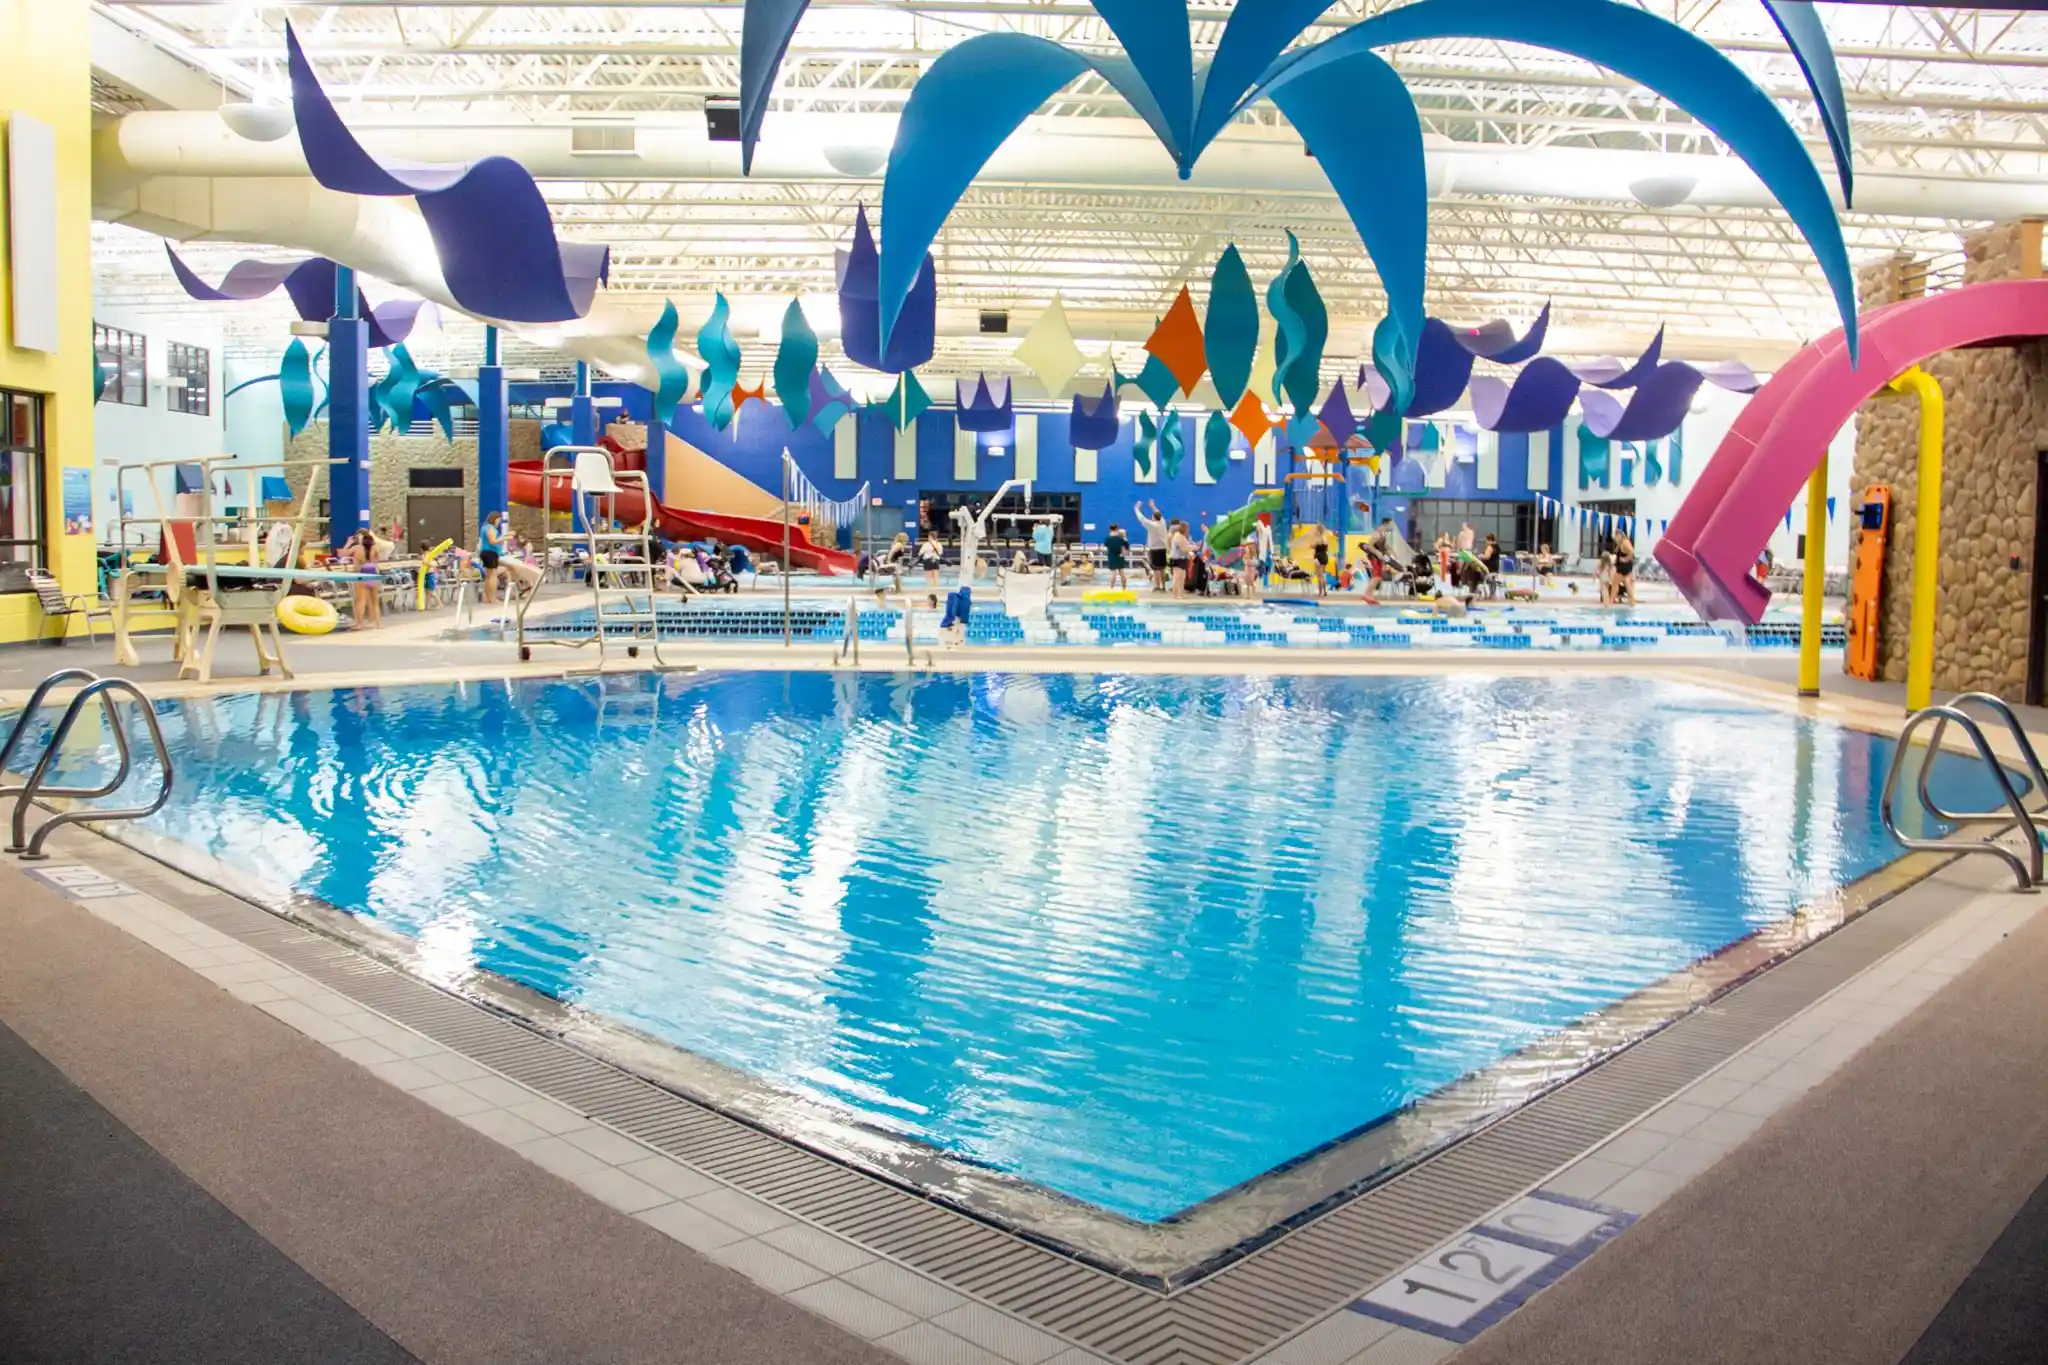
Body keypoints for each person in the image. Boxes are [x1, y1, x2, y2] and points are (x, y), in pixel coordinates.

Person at [341, 528, 382, 629]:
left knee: (360, 601)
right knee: (375, 602)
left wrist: (348, 543)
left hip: (361, 576)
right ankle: (377, 624)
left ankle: (359, 624)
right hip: (373, 576)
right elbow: (377, 562)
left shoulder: (357, 548)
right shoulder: (375, 549)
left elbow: (342, 554)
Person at [1135, 501, 1169, 592]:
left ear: (1153, 518)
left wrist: (1137, 509)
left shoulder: (1152, 525)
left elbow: (1142, 519)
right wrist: (1153, 506)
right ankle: (1164, 586)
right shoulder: (1163, 523)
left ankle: (1157, 586)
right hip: (1163, 549)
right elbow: (1159, 514)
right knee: (1162, 568)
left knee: (1156, 569)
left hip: (1155, 549)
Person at [478, 510, 509, 603]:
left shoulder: (484, 527)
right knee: (493, 576)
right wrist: (503, 538)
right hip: (490, 553)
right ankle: (492, 598)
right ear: (494, 519)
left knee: (489, 576)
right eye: (498, 520)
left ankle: (487, 598)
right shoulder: (490, 528)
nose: (498, 522)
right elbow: (492, 541)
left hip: (486, 552)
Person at [1167, 519, 1193, 599]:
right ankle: (1175, 594)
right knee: (1177, 577)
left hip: (1182, 558)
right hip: (1177, 559)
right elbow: (1184, 548)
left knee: (1182, 577)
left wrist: (1193, 547)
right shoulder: (1178, 536)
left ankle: (1180, 593)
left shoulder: (1182, 536)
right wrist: (1195, 548)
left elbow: (1186, 546)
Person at [1612, 532, 1638, 606]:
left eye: (1616, 536)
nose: (1615, 538)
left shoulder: (1624, 543)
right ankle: (1632, 603)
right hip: (1625, 566)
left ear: (1620, 536)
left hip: (1624, 566)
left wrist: (1625, 559)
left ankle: (1611, 601)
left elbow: (1632, 553)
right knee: (1627, 584)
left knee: (1615, 583)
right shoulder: (1622, 542)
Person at [1104, 522, 1130, 590]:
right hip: (1120, 556)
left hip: (1112, 556)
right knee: (1122, 572)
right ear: (1117, 528)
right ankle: (1124, 588)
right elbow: (1127, 546)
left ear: (1110, 529)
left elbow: (1106, 545)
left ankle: (1111, 588)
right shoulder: (1120, 538)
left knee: (1113, 573)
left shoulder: (1108, 538)